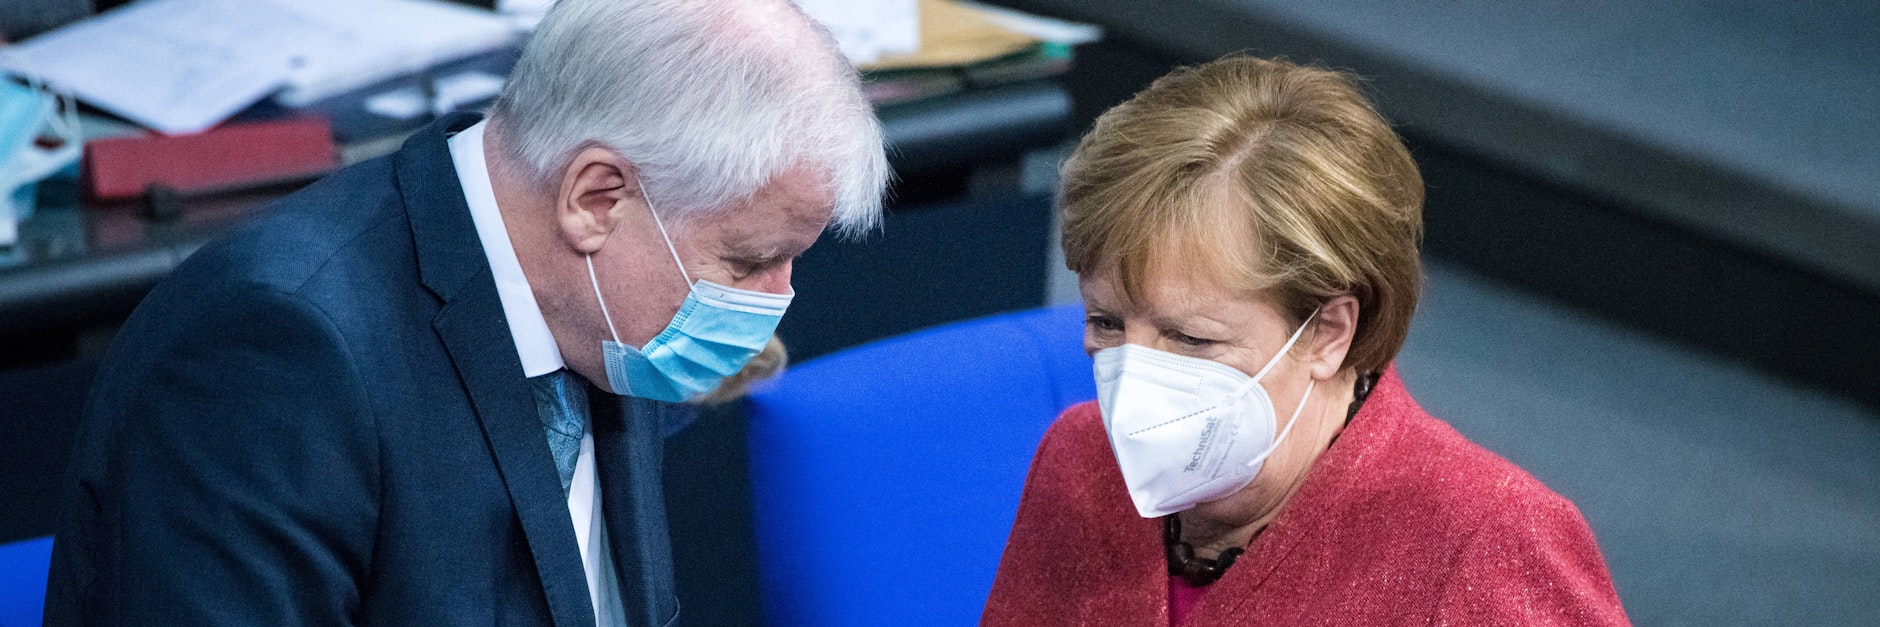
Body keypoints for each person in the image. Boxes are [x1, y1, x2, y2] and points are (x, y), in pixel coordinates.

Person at [45, 0, 886, 624]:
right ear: (596, 198)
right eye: (746, 260)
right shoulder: (276, 352)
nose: (776, 299)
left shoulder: (602, 309)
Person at [982, 56, 1629, 625]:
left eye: (1189, 336)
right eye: (1107, 323)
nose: (1135, 378)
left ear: (1329, 331)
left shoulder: (1486, 540)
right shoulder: (1080, 460)